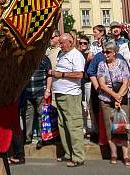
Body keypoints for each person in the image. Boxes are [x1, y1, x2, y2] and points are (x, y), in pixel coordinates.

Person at [45, 33, 85, 167]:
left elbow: (79, 74)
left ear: (70, 42)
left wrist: (60, 74)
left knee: (73, 125)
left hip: (71, 94)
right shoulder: (62, 54)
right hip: (60, 93)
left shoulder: (76, 55)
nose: (60, 45)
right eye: (60, 43)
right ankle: (68, 153)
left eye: (62, 43)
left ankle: (78, 157)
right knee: (63, 125)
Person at [96, 41, 130, 166]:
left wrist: (119, 97)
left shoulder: (122, 64)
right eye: (104, 52)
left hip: (122, 98)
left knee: (123, 127)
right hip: (106, 99)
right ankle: (114, 154)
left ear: (114, 52)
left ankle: (126, 155)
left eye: (108, 52)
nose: (105, 55)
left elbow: (126, 82)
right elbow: (102, 85)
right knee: (110, 127)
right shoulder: (101, 65)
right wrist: (115, 96)